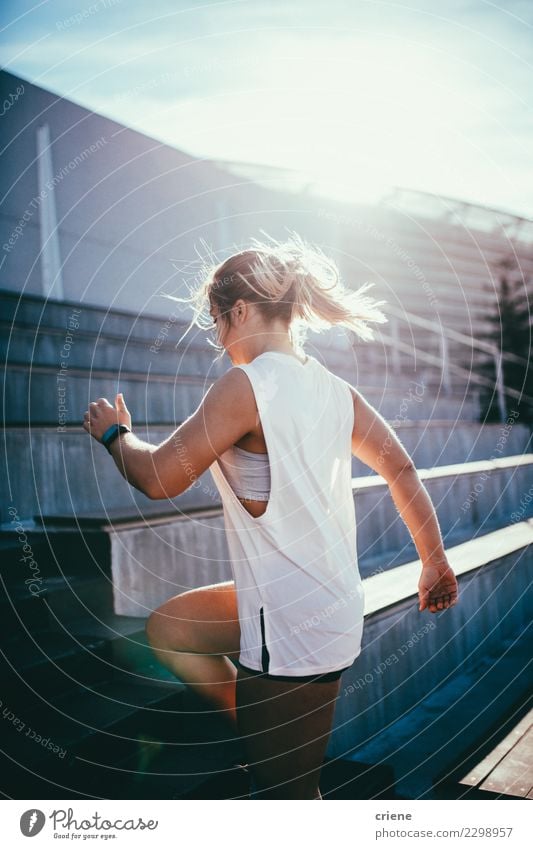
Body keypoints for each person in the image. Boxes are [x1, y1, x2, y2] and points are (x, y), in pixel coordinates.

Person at [82, 231, 459, 800]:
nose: (220, 338)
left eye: (217, 323)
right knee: (171, 630)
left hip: (293, 622)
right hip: (310, 600)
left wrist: (115, 434)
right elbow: (402, 471)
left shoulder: (247, 384)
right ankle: (269, 737)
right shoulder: (335, 389)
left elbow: (158, 477)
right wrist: (432, 561)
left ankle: (277, 757)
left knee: (292, 803)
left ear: (238, 311)